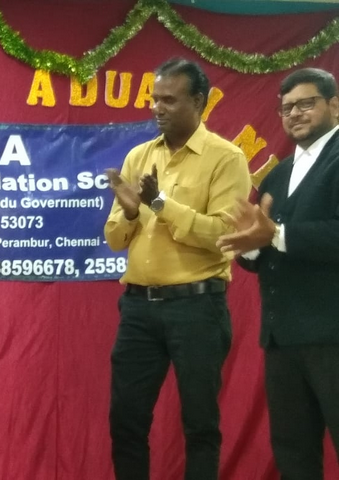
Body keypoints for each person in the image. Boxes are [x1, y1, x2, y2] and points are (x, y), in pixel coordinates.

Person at [104, 58, 252, 480]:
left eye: (169, 100)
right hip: (138, 309)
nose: (157, 108)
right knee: (125, 420)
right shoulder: (138, 156)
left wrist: (160, 205)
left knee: (200, 424)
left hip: (197, 308)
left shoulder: (226, 158)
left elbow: (224, 234)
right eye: (155, 99)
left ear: (199, 102)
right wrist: (130, 213)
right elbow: (115, 238)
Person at [218, 68, 339, 479]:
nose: (295, 114)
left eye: (306, 103)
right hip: (282, 338)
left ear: (333, 104)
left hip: (332, 336)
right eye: (287, 108)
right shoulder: (278, 173)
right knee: (293, 452)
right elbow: (262, 245)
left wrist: (276, 234)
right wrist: (249, 246)